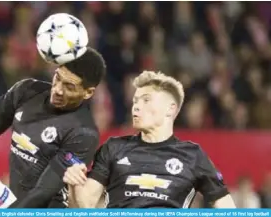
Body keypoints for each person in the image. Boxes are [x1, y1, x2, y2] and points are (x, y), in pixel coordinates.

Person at [0, 47, 107, 208]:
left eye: (69, 87)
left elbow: (43, 192)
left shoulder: (83, 134)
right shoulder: (25, 91)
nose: (57, 90)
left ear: (88, 92)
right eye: (57, 77)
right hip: (14, 202)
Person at [63, 71, 236, 208]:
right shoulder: (113, 148)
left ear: (170, 109)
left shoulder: (193, 155)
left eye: (146, 100)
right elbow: (86, 206)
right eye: (135, 101)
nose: (136, 106)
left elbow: (226, 206)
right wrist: (73, 185)